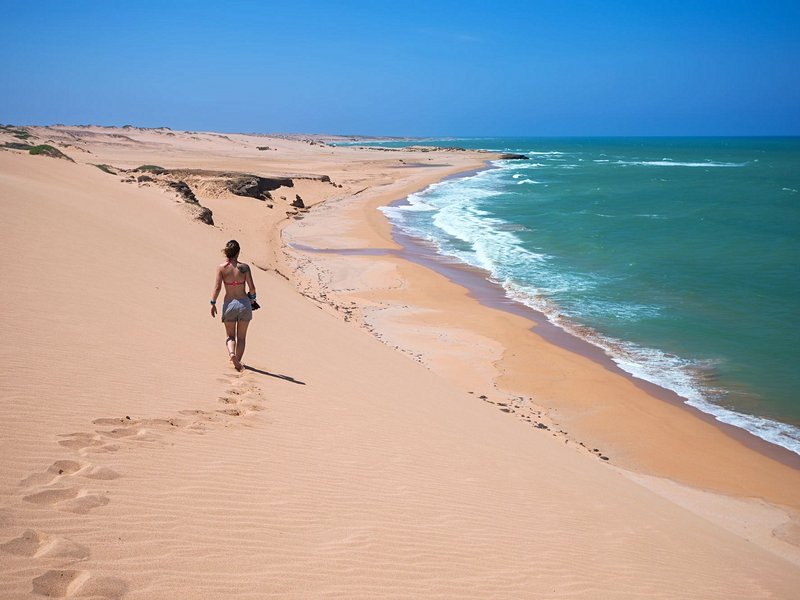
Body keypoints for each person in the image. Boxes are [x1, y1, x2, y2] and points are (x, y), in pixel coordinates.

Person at [210, 240, 256, 371]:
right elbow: (252, 288)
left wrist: (213, 303)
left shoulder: (221, 268)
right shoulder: (245, 267)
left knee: (230, 336)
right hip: (244, 304)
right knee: (241, 337)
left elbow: (217, 287)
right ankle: (239, 362)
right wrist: (252, 298)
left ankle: (232, 355)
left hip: (229, 304)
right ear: (238, 252)